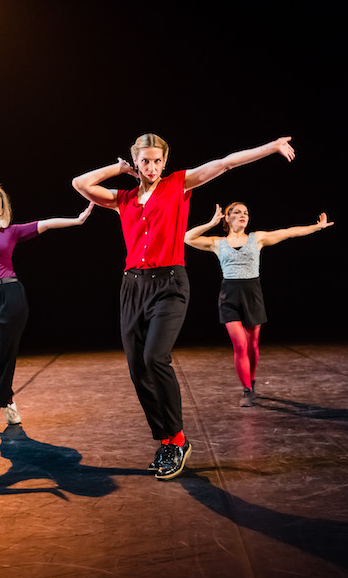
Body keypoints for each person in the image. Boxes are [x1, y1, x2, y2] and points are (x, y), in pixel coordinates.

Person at [72, 134, 295, 480]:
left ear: (165, 162)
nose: (152, 167)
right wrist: (118, 169)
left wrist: (270, 148)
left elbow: (226, 162)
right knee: (137, 368)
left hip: (170, 285)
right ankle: (164, 440)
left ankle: (177, 440)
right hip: (132, 286)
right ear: (136, 162)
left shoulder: (179, 185)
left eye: (157, 161)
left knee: (154, 358)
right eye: (144, 161)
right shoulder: (124, 199)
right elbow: (80, 183)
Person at [0, 187, 93, 435]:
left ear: (2, 210)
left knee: (4, 355)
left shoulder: (10, 233)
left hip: (9, 296)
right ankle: (9, 402)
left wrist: (76, 220)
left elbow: (45, 224)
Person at [184, 202, 333, 407]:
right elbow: (187, 238)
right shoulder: (217, 243)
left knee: (253, 345)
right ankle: (246, 389)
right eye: (236, 213)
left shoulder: (258, 238)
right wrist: (211, 223)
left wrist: (316, 227)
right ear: (227, 218)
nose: (242, 215)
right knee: (240, 344)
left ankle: (251, 381)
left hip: (252, 295)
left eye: (245, 212)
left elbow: (288, 232)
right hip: (229, 297)